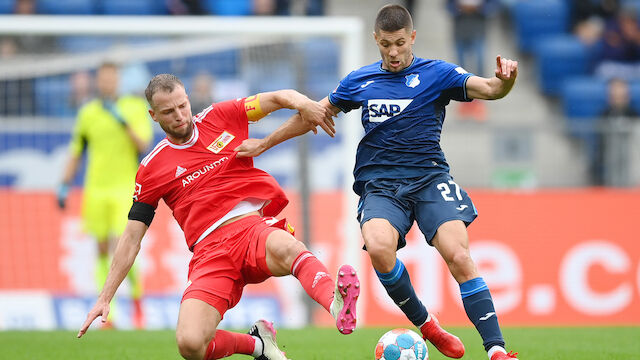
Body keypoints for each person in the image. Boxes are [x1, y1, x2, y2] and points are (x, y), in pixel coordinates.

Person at [234, 4, 519, 360]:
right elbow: (312, 116)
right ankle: (427, 325)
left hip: (429, 178)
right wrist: (263, 143)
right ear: (376, 40)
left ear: (412, 37)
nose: (394, 52)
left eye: (400, 43)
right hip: (381, 185)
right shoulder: (359, 81)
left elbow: (491, 89)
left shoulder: (438, 73)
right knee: (380, 249)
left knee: (459, 255)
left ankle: (496, 350)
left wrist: (506, 81)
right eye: (386, 44)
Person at [76, 74, 360, 360]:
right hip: (209, 253)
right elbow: (131, 238)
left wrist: (305, 103)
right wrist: (105, 297)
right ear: (153, 115)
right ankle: (258, 345)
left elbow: (276, 97)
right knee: (190, 343)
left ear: (187, 99)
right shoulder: (151, 169)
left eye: (182, 105)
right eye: (168, 112)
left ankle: (335, 304)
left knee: (287, 247)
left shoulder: (220, 116)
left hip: (250, 230)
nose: (179, 116)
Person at [58, 62, 152, 328]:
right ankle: (107, 314)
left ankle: (137, 303)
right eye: (103, 79)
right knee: (100, 248)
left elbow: (143, 144)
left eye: (112, 78)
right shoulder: (88, 112)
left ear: (118, 80)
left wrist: (122, 122)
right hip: (95, 189)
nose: (107, 83)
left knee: (122, 247)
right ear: (98, 81)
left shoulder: (133, 109)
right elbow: (77, 150)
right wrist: (64, 184)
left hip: (124, 188)